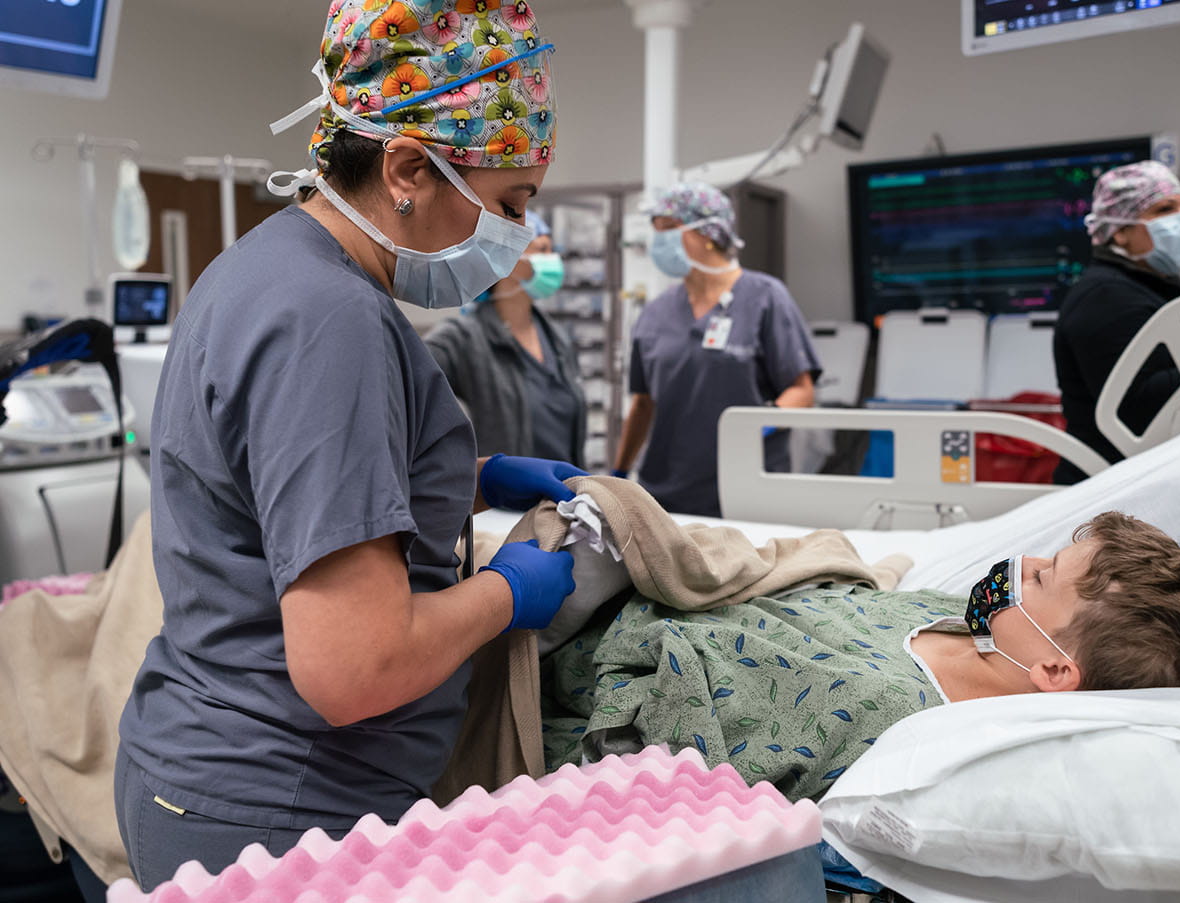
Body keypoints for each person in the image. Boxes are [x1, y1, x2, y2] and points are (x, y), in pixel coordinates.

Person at [114, 3, 582, 890]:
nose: (514, 239)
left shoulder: (266, 265)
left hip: (212, 780)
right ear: (408, 168)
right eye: (509, 204)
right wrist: (505, 594)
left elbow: (282, 494)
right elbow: (354, 668)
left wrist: (469, 482)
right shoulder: (331, 319)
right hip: (279, 810)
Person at [542, 510, 1180, 802]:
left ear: (1055, 670)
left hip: (573, 647)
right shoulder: (962, 621)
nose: (1024, 564)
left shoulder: (885, 714)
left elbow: (670, 738)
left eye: (1042, 578)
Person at [613, 182, 822, 517]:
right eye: (656, 230)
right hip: (666, 494)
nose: (659, 240)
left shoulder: (766, 297)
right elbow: (642, 403)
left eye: (669, 228)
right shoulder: (655, 313)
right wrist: (619, 473)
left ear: (709, 232)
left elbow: (802, 391)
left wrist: (756, 427)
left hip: (748, 489)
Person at [1053, 161, 1180, 484]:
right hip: (1109, 486)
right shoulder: (1105, 297)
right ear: (1119, 231)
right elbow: (1136, 404)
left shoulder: (1159, 287)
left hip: (1148, 472)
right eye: (1165, 209)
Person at [424, 210, 587, 466]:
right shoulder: (464, 338)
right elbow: (404, 384)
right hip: (506, 491)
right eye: (542, 250)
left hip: (564, 488)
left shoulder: (556, 338)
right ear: (506, 257)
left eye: (551, 250)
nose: (553, 260)